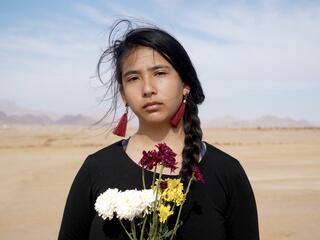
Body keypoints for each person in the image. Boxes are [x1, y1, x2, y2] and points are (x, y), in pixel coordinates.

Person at [58, 19, 259, 240]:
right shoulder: (95, 170)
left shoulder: (227, 172)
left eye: (160, 73)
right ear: (124, 94)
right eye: (133, 78)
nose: (147, 88)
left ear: (185, 84)